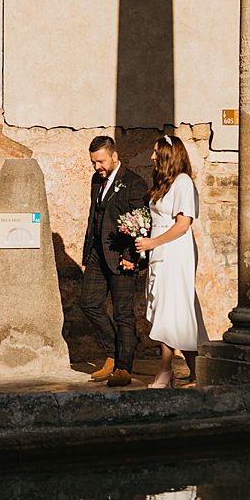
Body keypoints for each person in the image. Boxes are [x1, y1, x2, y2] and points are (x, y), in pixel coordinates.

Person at [133, 134, 208, 389]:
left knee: (169, 306)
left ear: (169, 156)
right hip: (160, 250)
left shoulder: (183, 183)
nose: (152, 157)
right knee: (178, 307)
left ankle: (165, 370)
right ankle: (199, 368)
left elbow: (183, 224)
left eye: (157, 152)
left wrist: (154, 242)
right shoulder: (165, 183)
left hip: (175, 250)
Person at [81, 134, 149, 387]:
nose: (97, 167)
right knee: (88, 303)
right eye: (93, 162)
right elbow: (94, 216)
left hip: (123, 258)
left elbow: (141, 223)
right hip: (98, 253)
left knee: (123, 314)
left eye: (100, 161)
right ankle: (113, 352)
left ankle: (123, 368)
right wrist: (89, 250)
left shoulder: (133, 183)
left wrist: (132, 257)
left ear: (114, 156)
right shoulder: (96, 181)